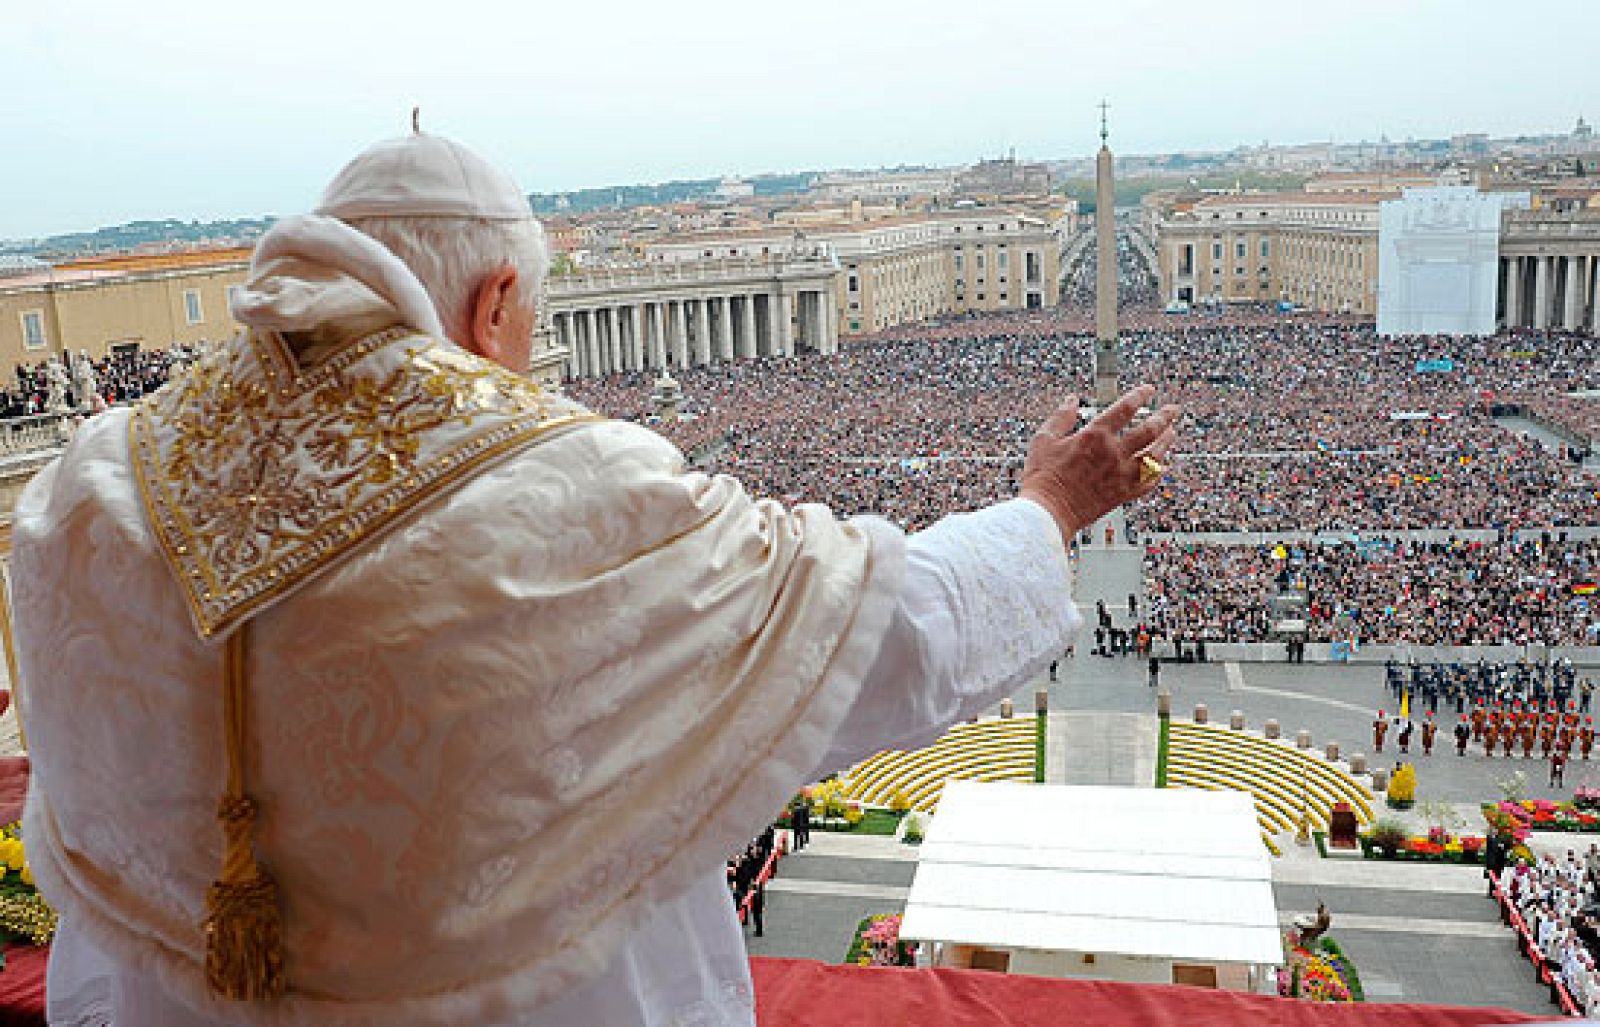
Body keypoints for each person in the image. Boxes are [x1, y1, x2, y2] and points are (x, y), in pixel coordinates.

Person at [12, 131, 1180, 1026]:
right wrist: (1048, 509)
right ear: (497, 305)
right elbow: (882, 635)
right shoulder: (565, 488)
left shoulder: (93, 478)